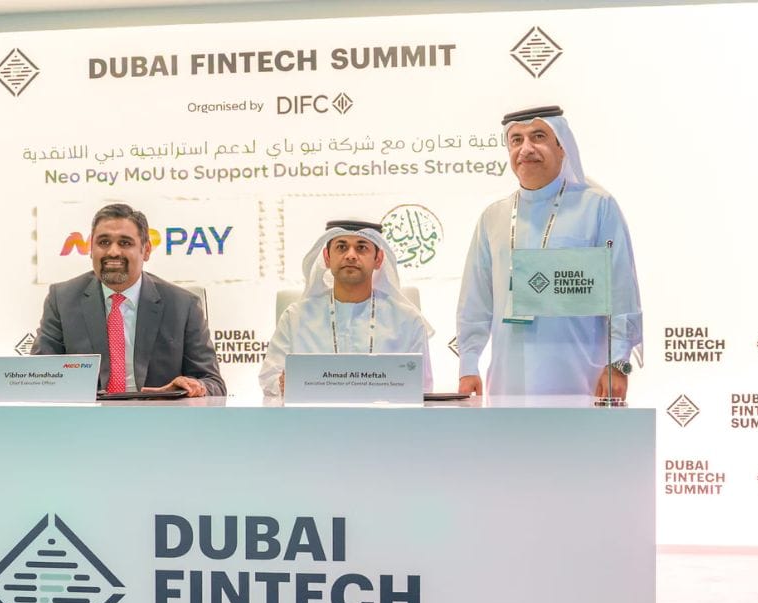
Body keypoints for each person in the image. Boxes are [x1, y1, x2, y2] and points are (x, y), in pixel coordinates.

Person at [456, 105, 642, 399]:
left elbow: (622, 291)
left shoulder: (597, 207)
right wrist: (468, 365)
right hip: (509, 380)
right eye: (516, 140)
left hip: (582, 376)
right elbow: (475, 301)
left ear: (562, 146)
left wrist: (619, 363)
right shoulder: (493, 217)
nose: (526, 149)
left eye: (538, 136)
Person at [32, 203, 225, 397]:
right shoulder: (62, 300)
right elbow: (38, 377)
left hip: (158, 413)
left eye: (125, 243)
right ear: (90, 249)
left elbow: (213, 383)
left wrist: (190, 388)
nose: (113, 252)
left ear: (146, 250)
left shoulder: (183, 305)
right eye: (104, 242)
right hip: (87, 414)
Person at [259, 220, 434, 396]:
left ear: (378, 259)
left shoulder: (408, 321)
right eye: (341, 247)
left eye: (361, 248)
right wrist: (282, 384)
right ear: (327, 257)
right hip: (313, 414)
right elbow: (269, 378)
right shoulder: (295, 318)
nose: (351, 255)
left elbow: (423, 389)